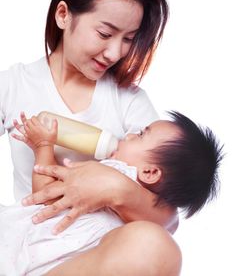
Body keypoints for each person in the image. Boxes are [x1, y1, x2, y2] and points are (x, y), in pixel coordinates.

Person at [0, 0, 181, 275]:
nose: (116, 52)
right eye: (105, 33)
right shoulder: (14, 85)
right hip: (37, 247)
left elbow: (168, 219)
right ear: (63, 14)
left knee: (156, 245)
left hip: (97, 259)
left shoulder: (128, 102)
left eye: (128, 39)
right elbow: (43, 196)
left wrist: (113, 187)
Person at [0, 110, 223, 275]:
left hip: (30, 247)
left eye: (140, 135)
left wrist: (43, 147)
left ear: (149, 172)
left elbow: (45, 197)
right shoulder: (134, 211)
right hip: (46, 261)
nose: (128, 136)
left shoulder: (108, 173)